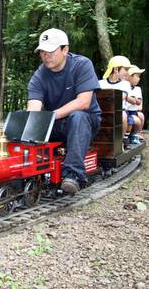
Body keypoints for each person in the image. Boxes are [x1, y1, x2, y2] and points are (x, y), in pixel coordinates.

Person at [27, 28, 101, 194]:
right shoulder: (39, 75)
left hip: (86, 122)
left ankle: (73, 175)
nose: (46, 55)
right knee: (29, 124)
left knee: (78, 117)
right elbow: (34, 107)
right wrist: (29, 124)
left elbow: (84, 102)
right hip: (56, 124)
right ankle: (25, 173)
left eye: (51, 51)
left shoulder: (82, 65)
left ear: (65, 49)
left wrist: (49, 116)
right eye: (42, 51)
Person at [98, 55, 136, 147]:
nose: (127, 73)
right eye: (125, 70)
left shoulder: (125, 84)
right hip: (102, 111)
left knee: (122, 116)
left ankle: (120, 141)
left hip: (118, 111)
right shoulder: (100, 83)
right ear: (115, 69)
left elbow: (121, 97)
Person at [127, 65, 145, 142]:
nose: (139, 79)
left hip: (133, 110)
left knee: (141, 115)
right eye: (137, 76)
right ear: (130, 76)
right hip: (127, 110)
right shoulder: (124, 87)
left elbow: (139, 103)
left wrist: (135, 101)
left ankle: (137, 133)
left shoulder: (138, 89)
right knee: (135, 119)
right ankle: (131, 134)